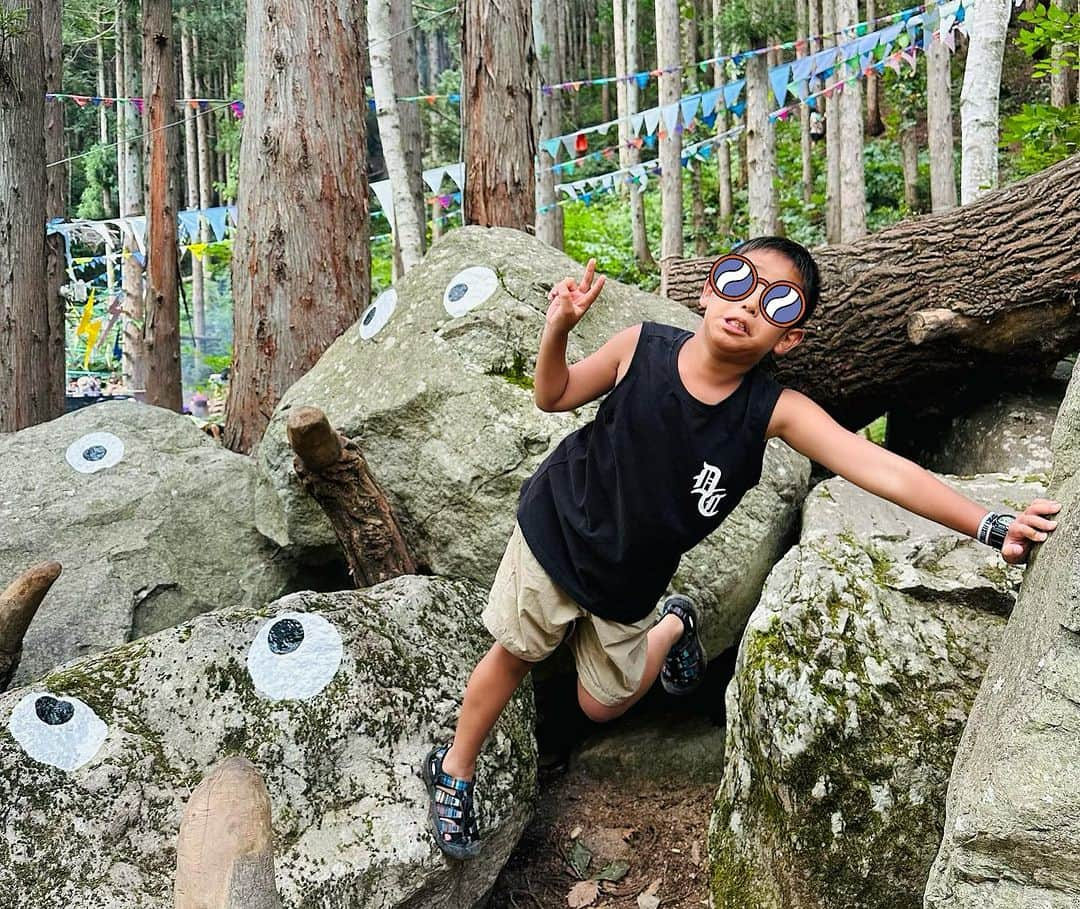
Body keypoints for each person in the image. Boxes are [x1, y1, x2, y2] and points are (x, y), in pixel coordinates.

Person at [423, 237, 1063, 860]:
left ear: (788, 337)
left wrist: (988, 524)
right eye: (738, 281)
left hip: (630, 578)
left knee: (600, 702)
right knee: (514, 655)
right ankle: (455, 768)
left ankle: (673, 624)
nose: (749, 304)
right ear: (707, 290)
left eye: (778, 303)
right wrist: (557, 327)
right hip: (556, 530)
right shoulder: (639, 347)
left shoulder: (773, 410)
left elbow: (878, 466)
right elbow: (552, 395)